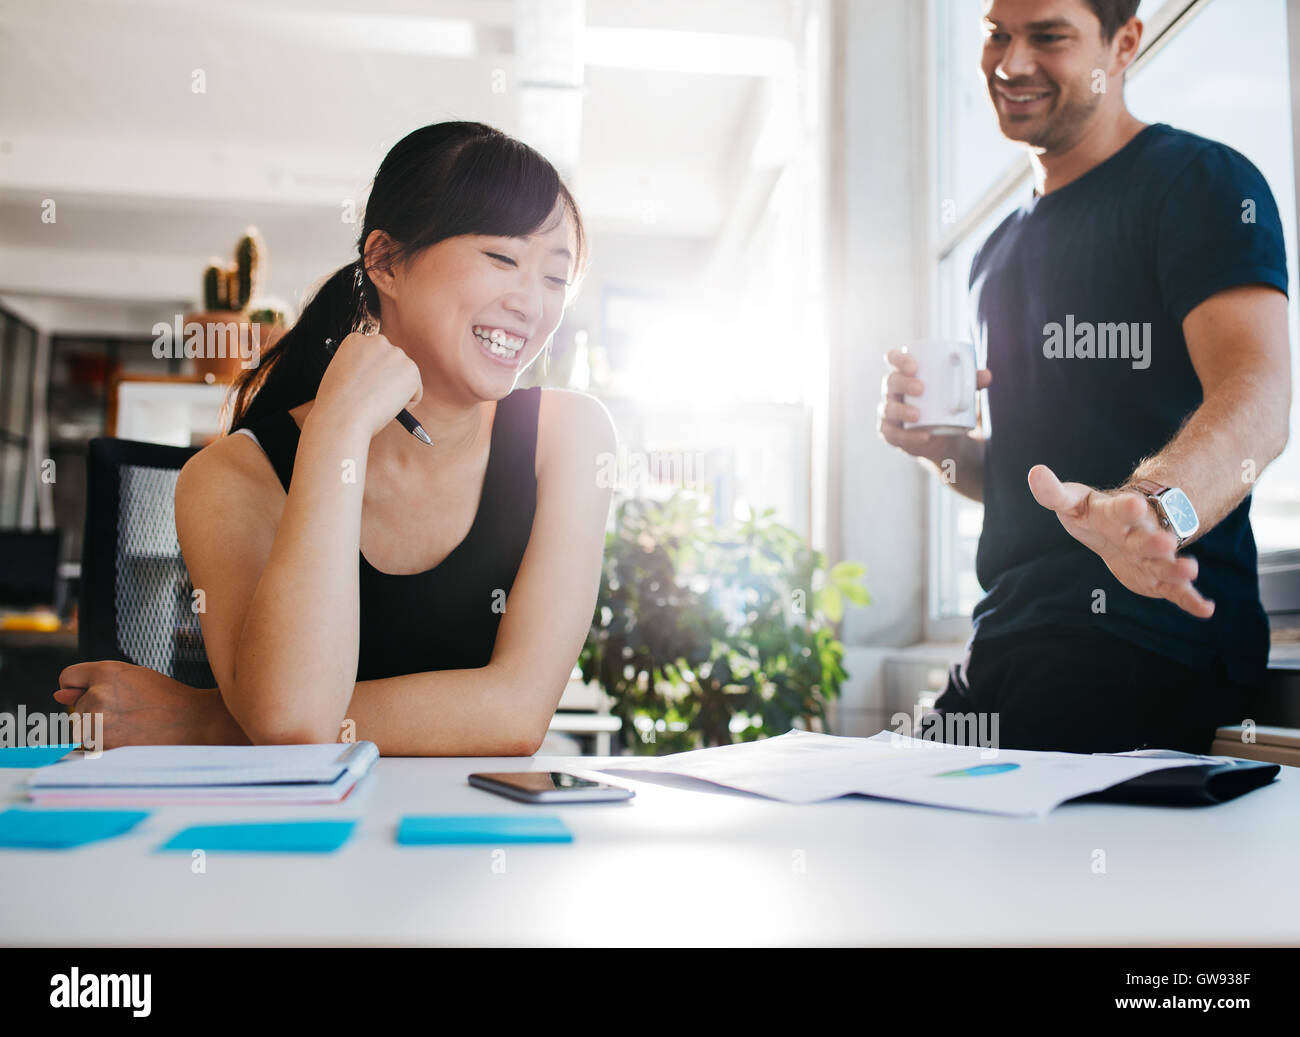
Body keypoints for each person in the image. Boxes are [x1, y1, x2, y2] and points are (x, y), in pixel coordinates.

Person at [55, 121, 615, 755]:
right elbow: (292, 718)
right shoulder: (233, 475)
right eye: (503, 258)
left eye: (555, 280)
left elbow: (515, 714)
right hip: (294, 841)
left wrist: (203, 722)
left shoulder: (568, 440)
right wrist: (338, 431)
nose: (532, 305)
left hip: (481, 835)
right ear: (385, 262)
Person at [877, 0, 1291, 753]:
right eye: (997, 35)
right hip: (1004, 637)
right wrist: (935, 445)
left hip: (1148, 640)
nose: (1011, 64)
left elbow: (1260, 396)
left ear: (1125, 42)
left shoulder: (1198, 183)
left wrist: (1153, 507)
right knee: (873, 815)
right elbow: (1017, 483)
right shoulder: (992, 253)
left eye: (1049, 37)